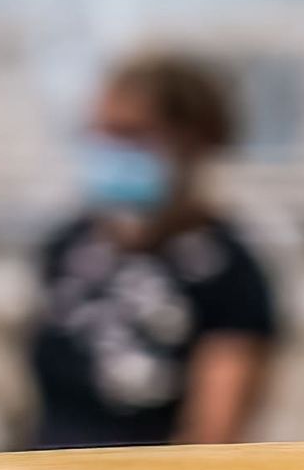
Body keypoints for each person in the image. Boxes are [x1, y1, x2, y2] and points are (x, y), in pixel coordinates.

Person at [28, 51, 277, 447]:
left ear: (192, 140)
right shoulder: (69, 246)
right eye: (101, 134)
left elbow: (213, 434)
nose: (111, 150)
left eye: (131, 134)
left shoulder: (226, 270)